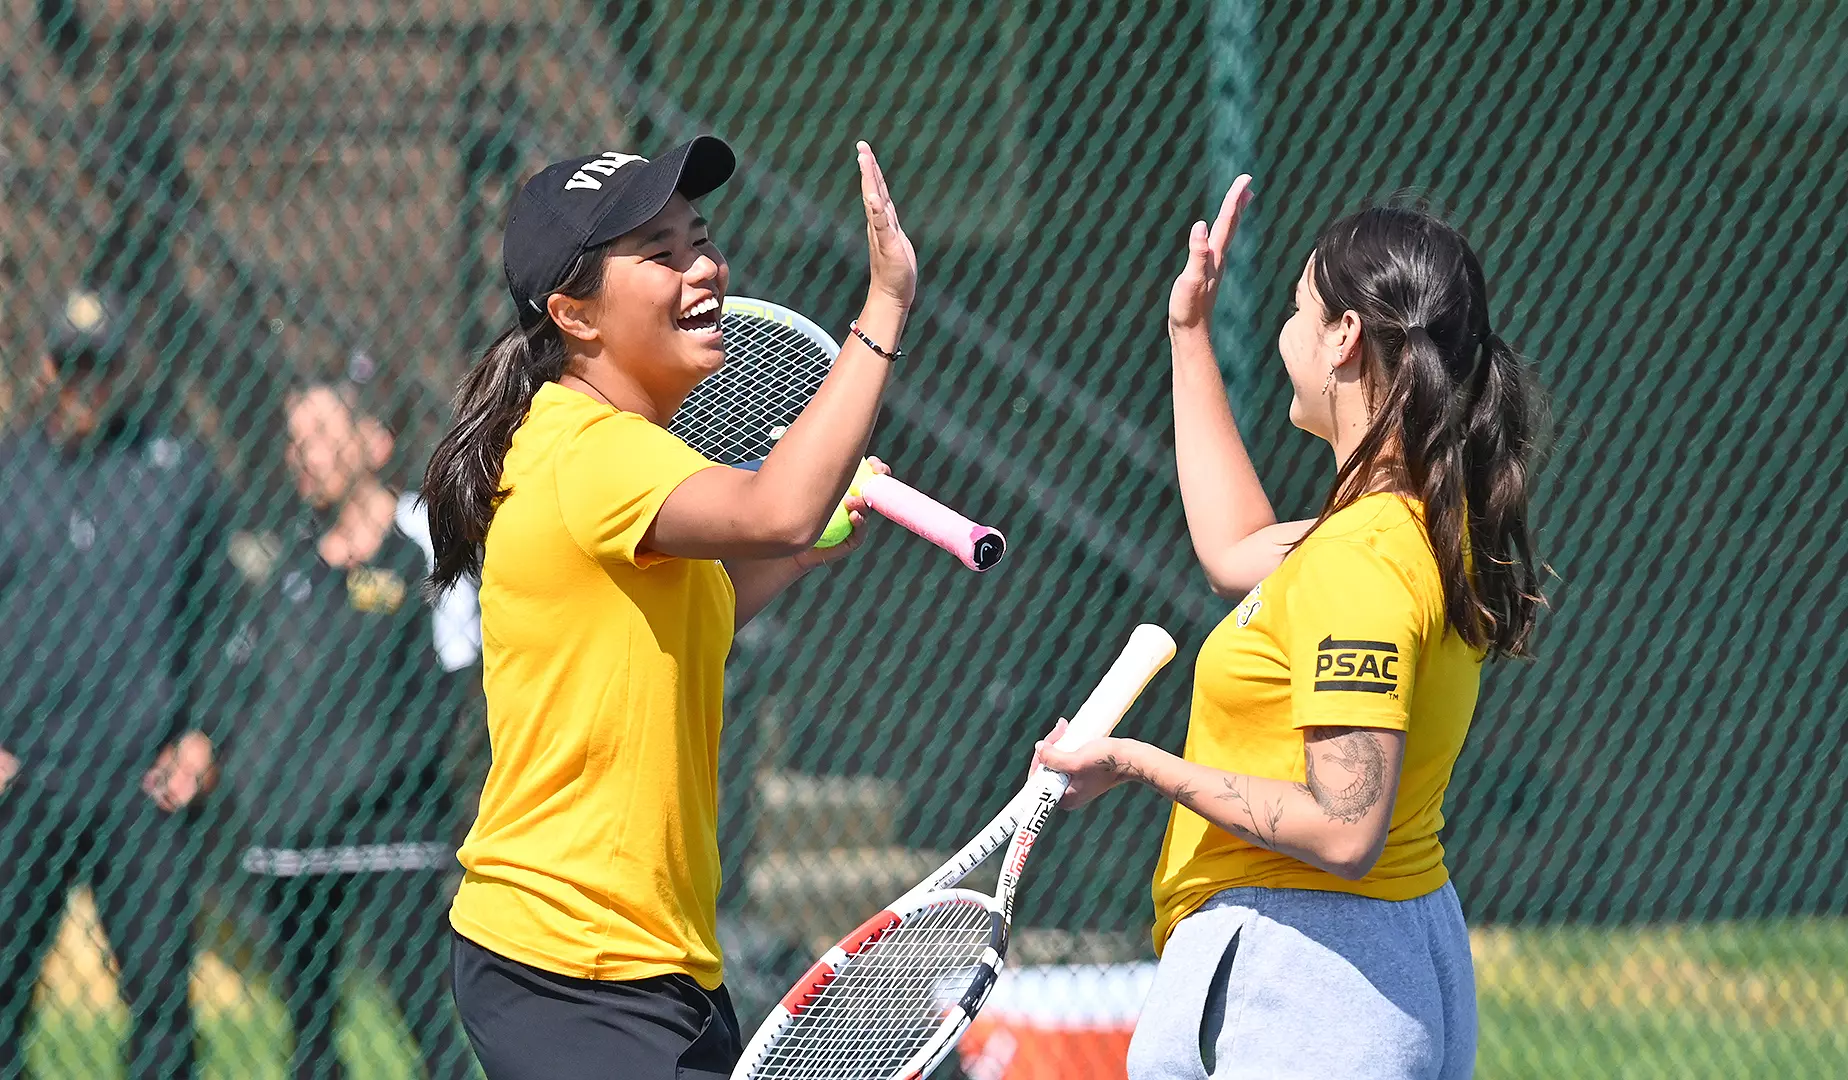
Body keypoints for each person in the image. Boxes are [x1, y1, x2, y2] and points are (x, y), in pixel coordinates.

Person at [418, 135, 915, 1078]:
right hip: (572, 965)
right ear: (575, 314)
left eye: (701, 238)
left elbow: (704, 604)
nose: (705, 267)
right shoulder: (598, 452)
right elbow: (772, 507)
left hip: (644, 963)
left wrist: (812, 539)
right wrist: (885, 304)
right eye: (661, 253)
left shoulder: (591, 449)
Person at [1034, 180, 1550, 1080]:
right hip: (1348, 965)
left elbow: (1344, 829)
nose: (1284, 331)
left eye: (1297, 307)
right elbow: (1233, 545)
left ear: (1344, 338)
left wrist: (1135, 764)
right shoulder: (1397, 527)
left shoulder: (1364, 561)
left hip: (1314, 980)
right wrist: (1187, 332)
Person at [217, 377, 480, 1078]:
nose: (304, 455)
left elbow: (462, 690)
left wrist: (396, 784)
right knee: (308, 1038)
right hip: (296, 836)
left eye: (323, 437)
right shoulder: (291, 567)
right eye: (294, 440)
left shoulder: (425, 549)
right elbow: (251, 690)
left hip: (393, 832)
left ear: (374, 443)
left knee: (429, 1020)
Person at [0, 287, 231, 1080]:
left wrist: (201, 735)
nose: (85, 383)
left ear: (123, 371)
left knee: (162, 999)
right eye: (71, 365)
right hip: (22, 776)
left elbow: (219, 620)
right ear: (45, 367)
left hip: (142, 784)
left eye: (100, 367)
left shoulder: (176, 473)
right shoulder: (9, 472)